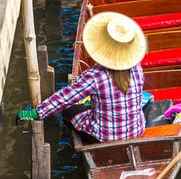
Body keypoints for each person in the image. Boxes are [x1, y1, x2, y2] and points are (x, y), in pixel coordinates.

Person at [15, 12, 147, 143]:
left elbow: (63, 99)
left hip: (105, 137)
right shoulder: (137, 68)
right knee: (88, 106)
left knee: (68, 110)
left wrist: (33, 114)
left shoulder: (95, 76)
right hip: (136, 131)